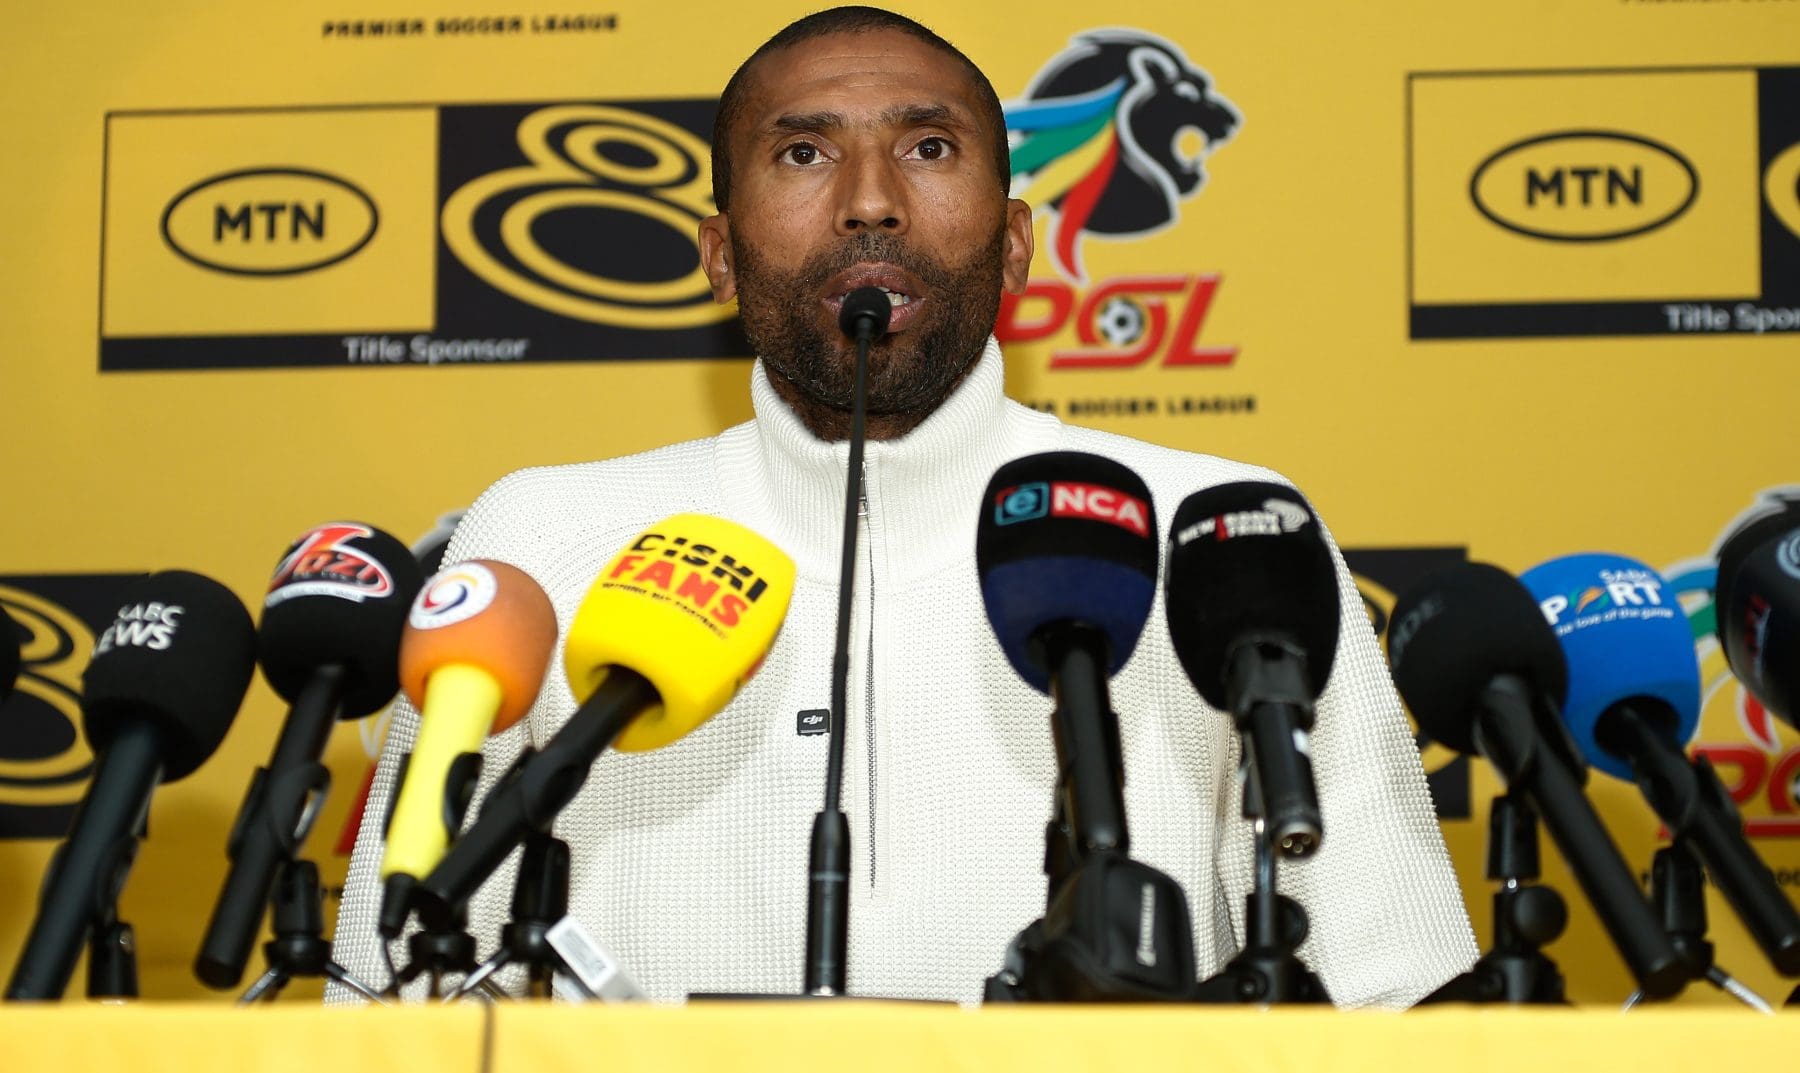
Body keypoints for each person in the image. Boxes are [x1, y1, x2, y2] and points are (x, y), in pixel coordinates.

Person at [330, 5, 1475, 1007]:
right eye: (803, 153)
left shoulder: (1219, 531)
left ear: (1016, 243)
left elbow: (1395, 995)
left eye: (928, 147)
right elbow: (391, 1001)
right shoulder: (542, 540)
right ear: (719, 257)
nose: (870, 202)